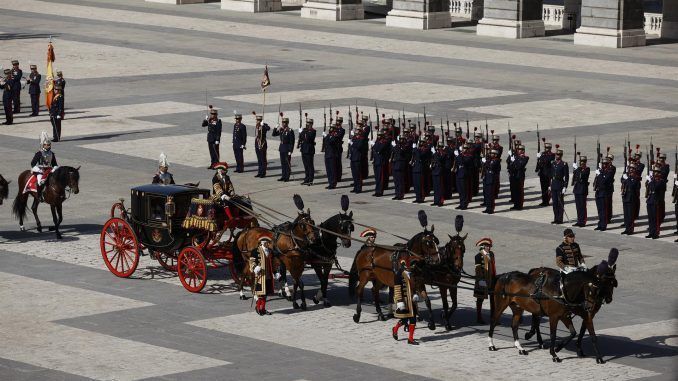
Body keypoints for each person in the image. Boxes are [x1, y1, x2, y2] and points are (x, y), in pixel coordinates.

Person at [391, 255, 420, 345]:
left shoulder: (412, 274)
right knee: (404, 320)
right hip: (404, 301)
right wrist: (399, 302)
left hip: (412, 301)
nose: (412, 268)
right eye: (410, 266)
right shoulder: (399, 275)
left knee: (413, 320)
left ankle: (410, 339)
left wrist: (415, 294)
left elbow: (415, 286)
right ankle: (395, 329)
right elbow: (397, 289)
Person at [26, 132, 58, 200]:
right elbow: (33, 163)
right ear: (43, 145)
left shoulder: (52, 153)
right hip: (40, 170)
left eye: (49, 145)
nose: (47, 146)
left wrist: (54, 168)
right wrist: (38, 170)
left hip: (49, 169)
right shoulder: (39, 153)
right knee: (40, 182)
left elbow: (55, 164)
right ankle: (39, 195)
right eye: (46, 145)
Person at [474, 237, 496, 325]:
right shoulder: (478, 256)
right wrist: (481, 280)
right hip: (482, 280)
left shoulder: (492, 254)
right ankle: (479, 317)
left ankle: (493, 317)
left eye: (490, 246)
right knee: (480, 299)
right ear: (483, 246)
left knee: (493, 299)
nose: (489, 248)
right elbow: (478, 270)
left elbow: (493, 266)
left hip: (491, 279)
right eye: (487, 246)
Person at [251, 237, 274, 316]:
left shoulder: (270, 251)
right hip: (260, 276)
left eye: (268, 242)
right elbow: (252, 261)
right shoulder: (255, 251)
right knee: (261, 294)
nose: (268, 243)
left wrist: (275, 272)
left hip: (268, 276)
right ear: (262, 242)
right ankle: (258, 307)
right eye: (266, 242)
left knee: (266, 293)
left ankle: (263, 309)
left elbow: (273, 263)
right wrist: (255, 267)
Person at [646, 165, 667, 239]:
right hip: (650, 201)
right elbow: (649, 188)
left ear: (659, 173)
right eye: (654, 172)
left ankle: (656, 233)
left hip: (656, 202)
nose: (655, 174)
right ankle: (651, 232)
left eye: (656, 172)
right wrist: (649, 181)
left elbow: (655, 188)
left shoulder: (661, 182)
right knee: (650, 218)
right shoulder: (653, 181)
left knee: (656, 219)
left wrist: (651, 181)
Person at [594, 156, 614, 231]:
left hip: (604, 193)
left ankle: (603, 225)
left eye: (606, 164)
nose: (604, 165)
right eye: (603, 164)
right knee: (599, 210)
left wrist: (599, 174)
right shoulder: (601, 171)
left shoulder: (610, 172)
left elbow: (603, 181)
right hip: (599, 192)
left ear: (608, 164)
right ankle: (600, 224)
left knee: (604, 210)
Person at [550, 147, 569, 224]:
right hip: (554, 184)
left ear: (561, 156)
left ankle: (560, 219)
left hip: (560, 184)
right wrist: (549, 185)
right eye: (556, 154)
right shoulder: (553, 163)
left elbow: (566, 176)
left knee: (560, 202)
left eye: (558, 155)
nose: (557, 156)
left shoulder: (564, 164)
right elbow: (551, 175)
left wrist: (565, 186)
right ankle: (556, 218)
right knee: (554, 203)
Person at [272, 117, 295, 182]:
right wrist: (275, 127)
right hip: (282, 148)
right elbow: (273, 134)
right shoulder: (281, 130)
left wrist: (290, 150)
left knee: (287, 163)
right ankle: (283, 176)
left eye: (285, 123)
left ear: (287, 123)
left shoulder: (290, 131)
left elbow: (292, 142)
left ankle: (287, 177)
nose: (283, 124)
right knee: (283, 163)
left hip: (287, 149)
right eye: (282, 122)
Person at [621, 162, 640, 235]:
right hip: (625, 197)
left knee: (630, 215)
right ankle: (626, 228)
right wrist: (624, 176)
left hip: (632, 199)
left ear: (635, 170)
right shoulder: (628, 176)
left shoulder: (636, 178)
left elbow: (632, 186)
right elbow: (622, 181)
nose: (631, 170)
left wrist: (627, 179)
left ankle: (630, 230)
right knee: (626, 215)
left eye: (632, 168)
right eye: (630, 168)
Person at [508, 144, 529, 210]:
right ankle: (516, 204)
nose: (520, 151)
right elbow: (510, 165)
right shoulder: (516, 156)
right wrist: (511, 158)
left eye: (521, 150)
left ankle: (520, 205)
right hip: (514, 176)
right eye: (519, 150)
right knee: (515, 191)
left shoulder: (525, 158)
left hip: (520, 176)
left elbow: (520, 166)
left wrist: (514, 161)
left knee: (520, 191)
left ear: (523, 151)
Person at [571, 155, 590, 227]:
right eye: (581, 162)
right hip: (577, 189)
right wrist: (575, 169)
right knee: (578, 206)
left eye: (583, 162)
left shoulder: (587, 169)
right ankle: (579, 220)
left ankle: (583, 221)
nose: (581, 163)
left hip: (582, 190)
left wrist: (577, 169)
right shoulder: (578, 169)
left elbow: (583, 176)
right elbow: (575, 177)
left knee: (582, 206)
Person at [349, 122, 367, 193]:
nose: (356, 131)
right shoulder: (354, 138)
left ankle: (359, 188)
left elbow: (358, 146)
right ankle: (355, 187)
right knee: (354, 174)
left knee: (358, 175)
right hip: (353, 158)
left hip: (357, 159)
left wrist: (352, 143)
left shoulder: (361, 138)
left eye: (357, 130)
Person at [455, 143, 473, 210]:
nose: (465, 150)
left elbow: (463, 162)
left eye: (466, 148)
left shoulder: (469, 156)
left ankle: (464, 204)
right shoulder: (461, 155)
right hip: (459, 174)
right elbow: (457, 162)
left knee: (464, 191)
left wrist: (458, 155)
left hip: (464, 175)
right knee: (460, 191)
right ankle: (461, 203)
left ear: (468, 149)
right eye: (464, 148)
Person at [482, 149, 501, 214]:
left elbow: (491, 166)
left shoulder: (497, 161)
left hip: (492, 179)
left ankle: (491, 208)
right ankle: (487, 208)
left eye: (492, 153)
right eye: (490, 153)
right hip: (487, 178)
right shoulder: (490, 160)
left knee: (490, 195)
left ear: (495, 155)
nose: (490, 154)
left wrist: (485, 162)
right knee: (487, 194)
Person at [371, 131, 389, 197]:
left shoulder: (384, 142)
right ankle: (377, 190)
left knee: (380, 178)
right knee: (377, 178)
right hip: (376, 161)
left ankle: (380, 191)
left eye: (379, 135)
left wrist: (373, 144)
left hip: (381, 162)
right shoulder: (378, 141)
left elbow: (379, 149)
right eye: (378, 135)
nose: (378, 136)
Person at [299, 117, 316, 185]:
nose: (307, 124)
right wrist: (301, 132)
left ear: (311, 124)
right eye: (307, 123)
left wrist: (303, 132)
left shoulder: (313, 131)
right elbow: (301, 138)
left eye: (309, 123)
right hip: (303, 149)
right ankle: (306, 178)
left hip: (309, 150)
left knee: (310, 165)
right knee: (305, 165)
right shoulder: (305, 130)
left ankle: (310, 180)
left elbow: (308, 139)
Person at [323, 122, 340, 189]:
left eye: (330, 128)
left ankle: (333, 183)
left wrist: (327, 136)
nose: (329, 129)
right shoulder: (329, 135)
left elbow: (331, 141)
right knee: (328, 170)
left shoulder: (335, 136)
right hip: (327, 155)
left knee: (332, 170)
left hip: (332, 155)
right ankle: (330, 183)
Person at [430, 140, 446, 206]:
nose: (440, 148)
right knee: (435, 187)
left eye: (441, 147)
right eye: (439, 147)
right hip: (434, 171)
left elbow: (439, 159)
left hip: (439, 171)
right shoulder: (436, 153)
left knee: (440, 188)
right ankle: (436, 201)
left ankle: (440, 201)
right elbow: (432, 159)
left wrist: (434, 153)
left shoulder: (443, 154)